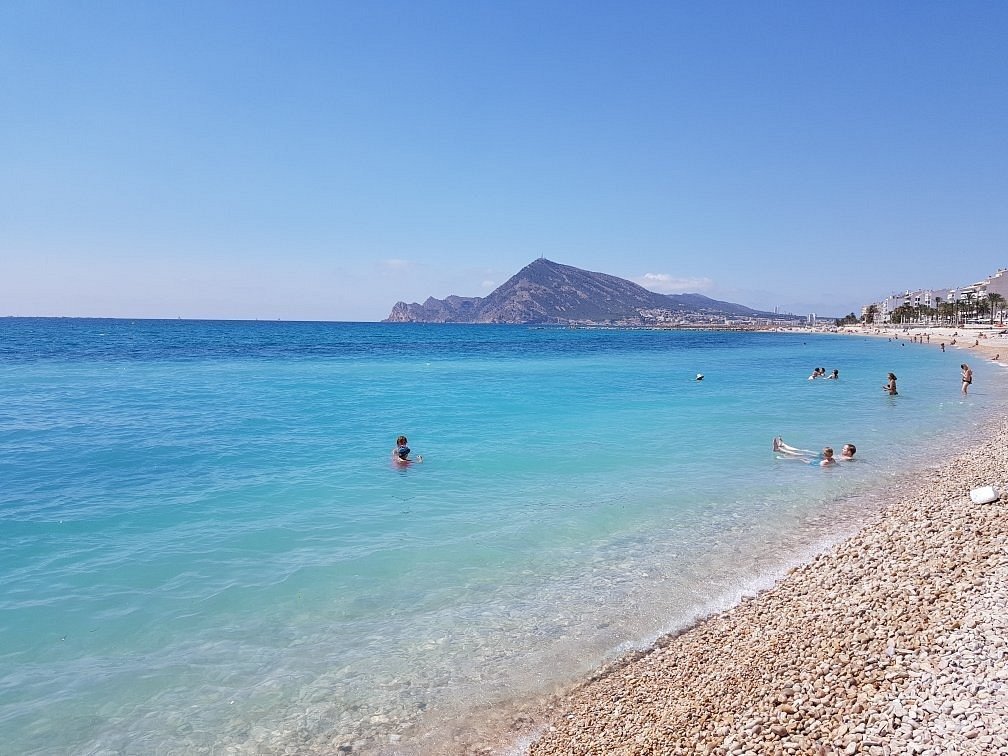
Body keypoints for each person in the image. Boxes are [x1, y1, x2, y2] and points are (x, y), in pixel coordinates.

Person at [773, 437, 853, 466]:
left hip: (822, 457)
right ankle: (783, 445)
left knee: (799, 455)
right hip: (823, 456)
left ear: (849, 452)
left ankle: (780, 449)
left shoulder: (847, 459)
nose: (842, 449)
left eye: (844, 449)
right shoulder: (843, 457)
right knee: (803, 451)